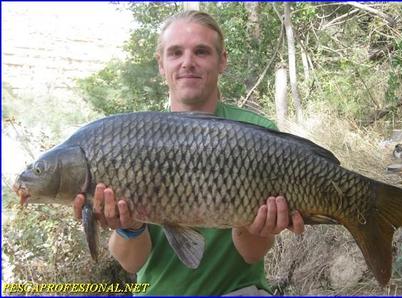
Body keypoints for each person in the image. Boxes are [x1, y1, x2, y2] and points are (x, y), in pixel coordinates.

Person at [73, 10, 305, 296]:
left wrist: (255, 225)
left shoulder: (255, 131)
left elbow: (251, 254)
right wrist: (130, 227)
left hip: (237, 291)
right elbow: (132, 262)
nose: (187, 62)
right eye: (175, 53)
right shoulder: (131, 139)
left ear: (222, 61)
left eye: (201, 52)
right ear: (161, 64)